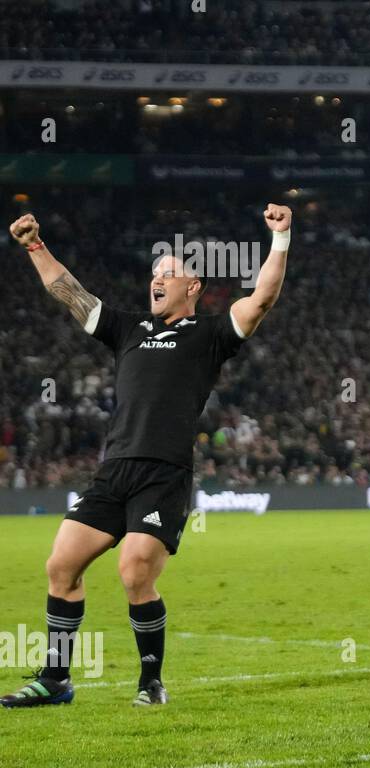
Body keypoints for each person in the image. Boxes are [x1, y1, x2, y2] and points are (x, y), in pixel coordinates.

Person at [2, 204, 291, 707]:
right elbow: (68, 291)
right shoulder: (128, 328)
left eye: (169, 273)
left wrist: (281, 238)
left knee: (135, 570)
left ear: (193, 287)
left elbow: (262, 297)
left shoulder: (211, 335)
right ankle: (55, 679)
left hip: (164, 473)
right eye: (154, 273)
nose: (157, 279)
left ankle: (150, 682)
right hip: (114, 470)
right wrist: (34, 245)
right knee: (61, 565)